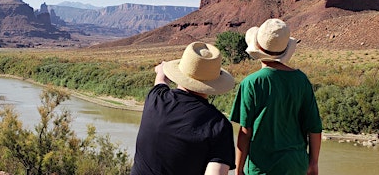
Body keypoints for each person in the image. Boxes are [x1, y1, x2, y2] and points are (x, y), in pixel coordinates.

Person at [229, 18, 323, 175]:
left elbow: (245, 131)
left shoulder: (251, 83)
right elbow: (314, 128)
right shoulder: (301, 80)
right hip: (296, 164)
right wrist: (313, 163)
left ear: (257, 47)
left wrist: (238, 169)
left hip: (262, 167)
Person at [131, 41, 236, 175]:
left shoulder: (156, 98)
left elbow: (160, 80)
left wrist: (162, 69)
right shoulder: (219, 126)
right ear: (214, 83)